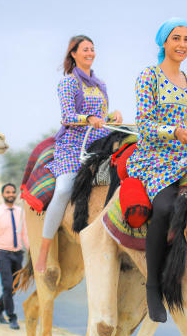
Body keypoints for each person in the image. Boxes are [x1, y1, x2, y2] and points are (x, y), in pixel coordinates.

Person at [126, 18, 187, 323]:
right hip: (155, 156)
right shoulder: (149, 77)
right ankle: (153, 286)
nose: (182, 45)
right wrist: (174, 132)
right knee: (166, 206)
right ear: (164, 43)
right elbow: (144, 126)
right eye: (176, 38)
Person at [35, 34, 123, 278]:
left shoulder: (100, 84)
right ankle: (43, 249)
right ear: (73, 53)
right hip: (73, 145)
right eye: (85, 49)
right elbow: (66, 116)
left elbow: (102, 117)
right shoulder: (68, 83)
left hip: (99, 142)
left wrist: (112, 116)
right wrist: (88, 119)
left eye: (92, 49)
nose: (90, 53)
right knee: (64, 188)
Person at [0, 183, 29, 329]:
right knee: (7, 285)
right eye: (8, 192)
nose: (11, 194)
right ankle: (12, 317)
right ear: (3, 194)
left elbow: (24, 234)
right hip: (2, 254)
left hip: (18, 254)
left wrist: (31, 251)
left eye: (13, 192)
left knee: (14, 286)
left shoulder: (20, 212)